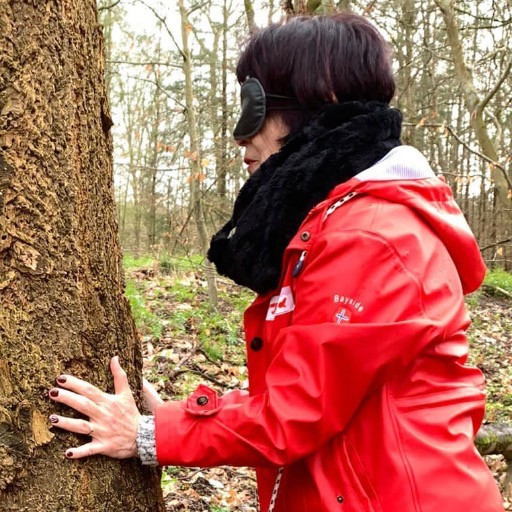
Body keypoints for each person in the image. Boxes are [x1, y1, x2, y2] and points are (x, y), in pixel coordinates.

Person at [49, 13, 504, 512]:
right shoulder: (342, 221)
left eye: (253, 108)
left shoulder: (370, 234)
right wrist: (175, 423)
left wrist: (147, 435)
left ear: (315, 103)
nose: (241, 138)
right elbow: (315, 391)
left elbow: (296, 413)